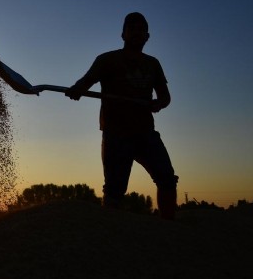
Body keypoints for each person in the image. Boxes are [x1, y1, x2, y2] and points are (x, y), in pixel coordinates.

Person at [64, 12, 178, 220]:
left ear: (147, 36)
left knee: (167, 178)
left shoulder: (153, 64)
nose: (136, 33)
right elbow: (86, 81)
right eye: (131, 29)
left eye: (141, 29)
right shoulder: (107, 60)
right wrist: (76, 89)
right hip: (116, 133)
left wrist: (158, 104)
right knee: (115, 190)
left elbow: (165, 97)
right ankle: (110, 233)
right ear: (123, 34)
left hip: (145, 132)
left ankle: (168, 226)